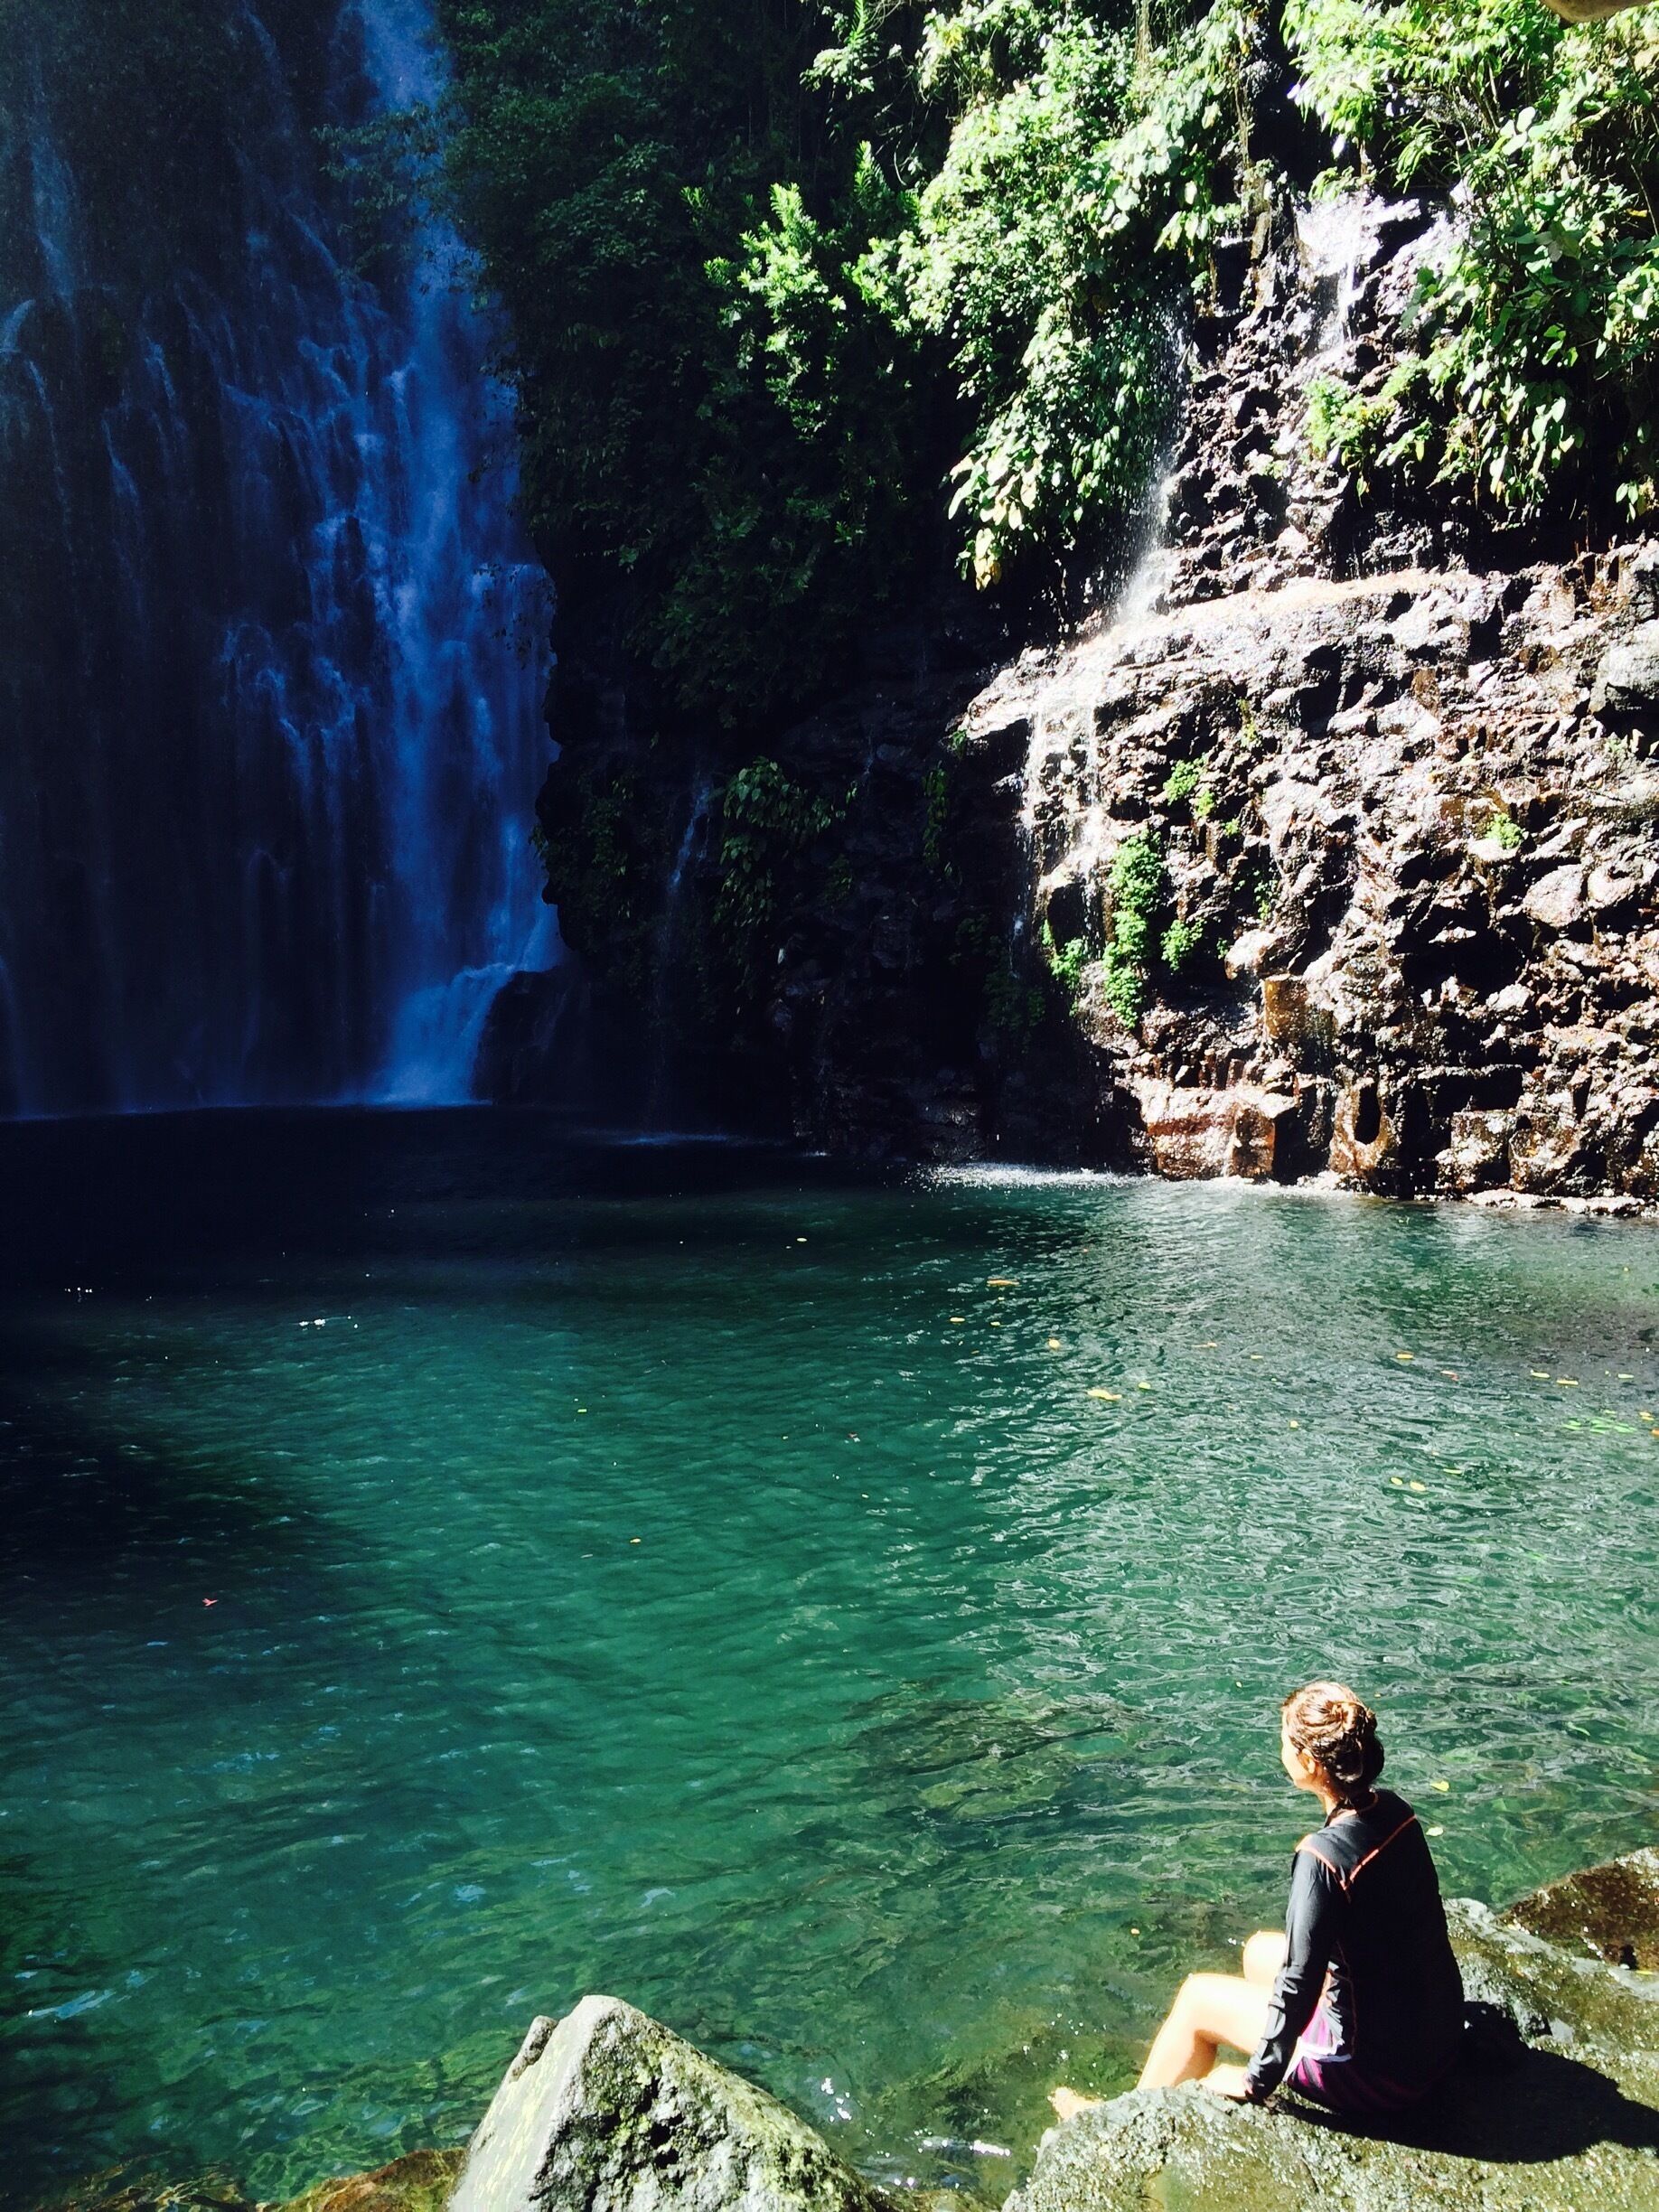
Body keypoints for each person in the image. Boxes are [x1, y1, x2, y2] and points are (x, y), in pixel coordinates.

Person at [1052, 1682, 1464, 2119]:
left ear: (1308, 1761)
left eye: (1284, 1740)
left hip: (1376, 2074)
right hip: (1434, 2039)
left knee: (1197, 1999)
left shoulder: (1320, 1857)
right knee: (1258, 1952)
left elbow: (1299, 1982)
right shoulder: (1397, 1811)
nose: (1279, 1748)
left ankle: (1116, 2122)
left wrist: (1256, 2079)